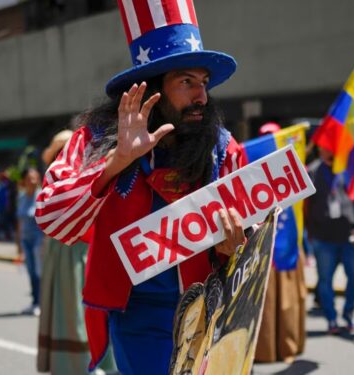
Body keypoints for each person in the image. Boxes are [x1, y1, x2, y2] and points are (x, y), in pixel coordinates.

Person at [34, 1, 247, 373]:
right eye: (186, 82)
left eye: (204, 83)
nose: (201, 97)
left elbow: (253, 239)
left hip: (213, 312)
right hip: (138, 319)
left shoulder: (223, 147)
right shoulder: (96, 140)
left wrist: (237, 246)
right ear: (152, 89)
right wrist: (117, 160)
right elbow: (52, 218)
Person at [36, 130, 117, 374]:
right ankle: (73, 366)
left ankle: (92, 362)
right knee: (66, 309)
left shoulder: (84, 176)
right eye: (58, 151)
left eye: (64, 149)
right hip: (58, 252)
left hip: (82, 249)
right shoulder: (51, 182)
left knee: (81, 309)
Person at [254, 123, 306, 363]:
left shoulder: (295, 168)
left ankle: (288, 347)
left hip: (288, 245)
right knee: (263, 301)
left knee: (288, 300)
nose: (270, 142)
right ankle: (264, 350)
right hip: (263, 244)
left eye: (274, 137)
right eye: (266, 138)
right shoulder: (251, 170)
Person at [305, 144, 354, 335]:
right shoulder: (313, 171)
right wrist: (309, 230)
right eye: (325, 145)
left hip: (349, 236)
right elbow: (305, 204)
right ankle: (332, 319)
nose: (329, 149)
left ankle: (349, 314)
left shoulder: (350, 168)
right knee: (325, 280)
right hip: (323, 237)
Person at [17, 167, 43, 316]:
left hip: (38, 240)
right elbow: (19, 222)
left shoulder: (42, 195)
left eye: (35, 178)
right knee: (31, 272)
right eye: (29, 178)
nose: (32, 181)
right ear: (24, 181)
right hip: (25, 240)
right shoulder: (21, 197)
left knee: (39, 273)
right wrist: (18, 246)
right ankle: (34, 302)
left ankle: (40, 302)